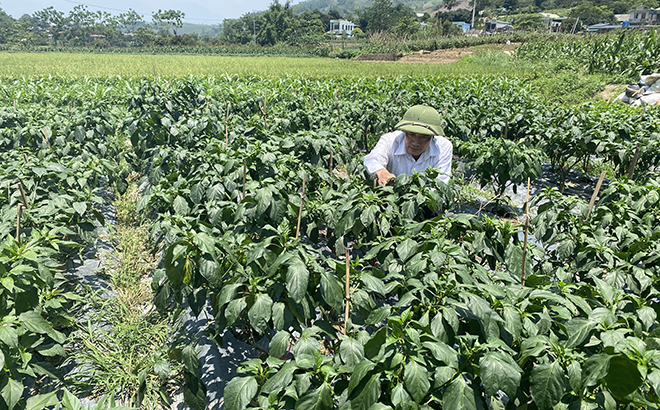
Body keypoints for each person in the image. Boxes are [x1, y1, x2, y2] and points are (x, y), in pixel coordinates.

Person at [363, 105, 452, 186]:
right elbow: (372, 159)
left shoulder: (442, 147)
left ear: (433, 137)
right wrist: (381, 172)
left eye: (424, 137)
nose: (416, 142)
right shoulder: (390, 140)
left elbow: (439, 184)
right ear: (404, 131)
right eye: (411, 134)